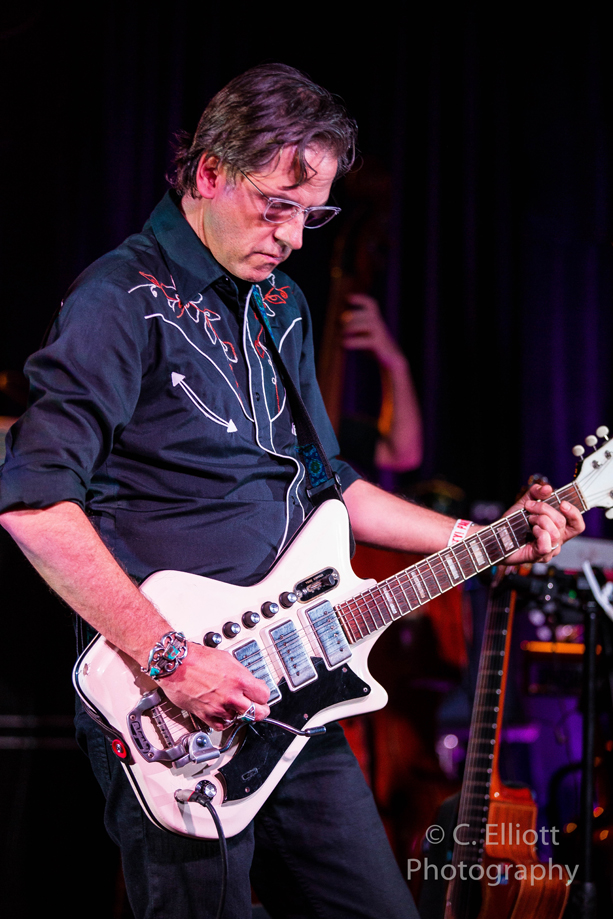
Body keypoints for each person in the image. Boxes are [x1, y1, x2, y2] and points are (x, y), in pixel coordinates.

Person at [0, 63, 583, 919]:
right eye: (277, 205)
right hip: (173, 705)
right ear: (209, 172)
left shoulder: (280, 304)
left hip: (293, 688)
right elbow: (34, 506)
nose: (295, 237)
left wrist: (479, 537)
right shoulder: (118, 299)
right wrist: (172, 659)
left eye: (311, 214)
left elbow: (331, 488)